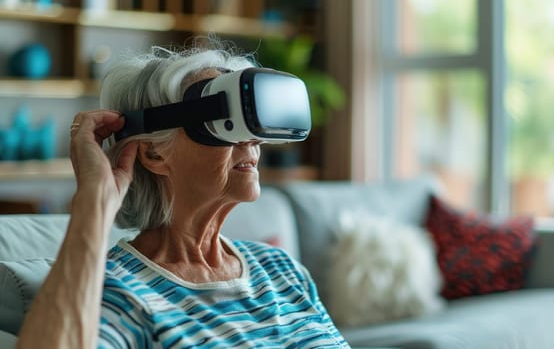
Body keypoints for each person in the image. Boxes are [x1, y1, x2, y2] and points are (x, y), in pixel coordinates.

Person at [16, 43, 349, 348]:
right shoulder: (119, 294)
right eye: (225, 122)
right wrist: (93, 203)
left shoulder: (282, 270)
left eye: (252, 125)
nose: (251, 142)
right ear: (155, 155)